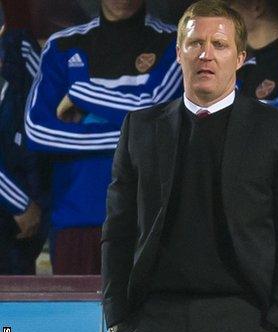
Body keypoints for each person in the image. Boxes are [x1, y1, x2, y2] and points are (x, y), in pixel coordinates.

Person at [101, 1, 278, 332]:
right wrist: (118, 322)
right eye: (195, 44)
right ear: (178, 53)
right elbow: (118, 231)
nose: (206, 55)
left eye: (219, 45)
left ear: (240, 57)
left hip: (247, 319)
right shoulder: (139, 128)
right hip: (153, 322)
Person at [25, 0, 182, 274]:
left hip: (150, 218)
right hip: (77, 217)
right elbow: (36, 129)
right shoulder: (62, 45)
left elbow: (154, 111)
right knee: (75, 317)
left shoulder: (175, 42)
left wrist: (80, 94)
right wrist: (132, 133)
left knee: (148, 315)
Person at [0, 0, 49, 275]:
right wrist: (21, 205)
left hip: (19, 226)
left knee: (12, 315)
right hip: (16, 211)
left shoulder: (20, 55)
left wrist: (36, 206)